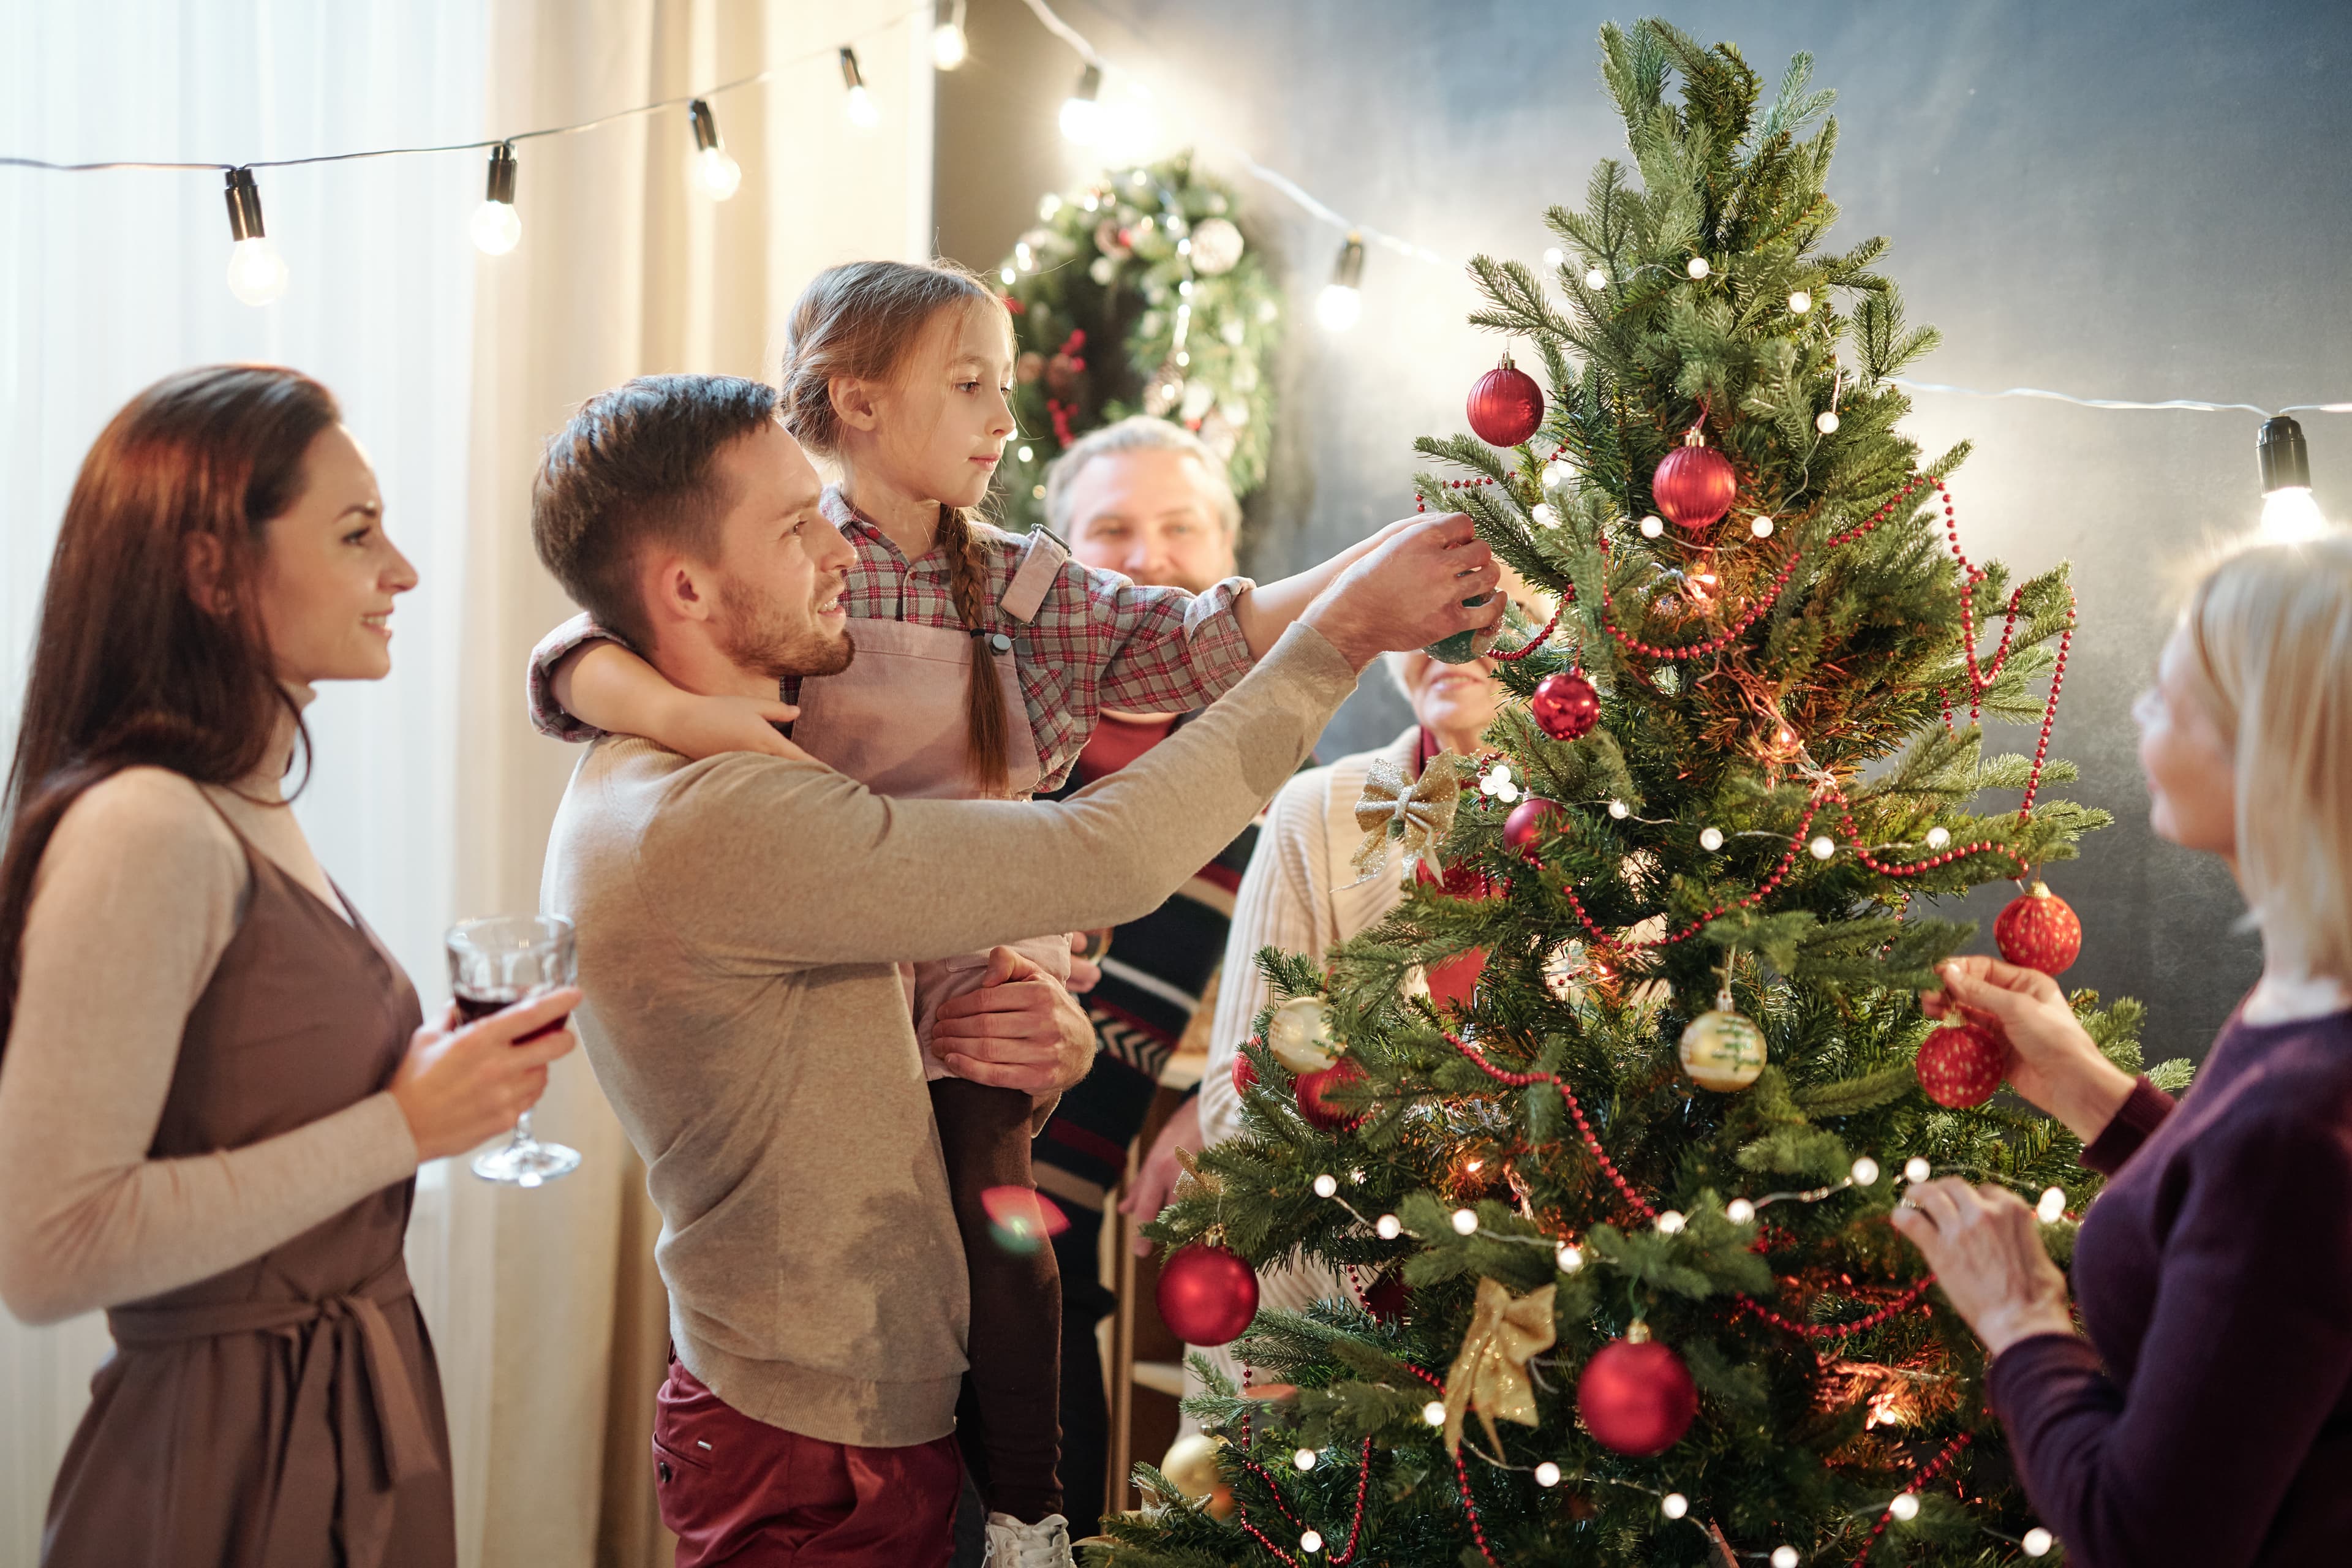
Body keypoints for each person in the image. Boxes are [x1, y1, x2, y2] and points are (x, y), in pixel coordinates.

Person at [525, 263, 1419, 1562]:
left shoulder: (998, 587)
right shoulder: (714, 793)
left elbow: (1191, 642)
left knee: (1014, 1240)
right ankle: (1031, 1509)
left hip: (950, 989)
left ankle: (1028, 1504)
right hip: (814, 1407)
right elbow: (580, 641)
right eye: (795, 526)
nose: (1004, 416)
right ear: (859, 405)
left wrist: (1049, 1028)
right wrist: (1342, 633)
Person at [0, 365, 578, 1568]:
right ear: (214, 570)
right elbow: (46, 1247)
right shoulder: (147, 825)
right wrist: (400, 1127)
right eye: (358, 533)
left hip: (341, 1412)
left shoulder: (242, 803)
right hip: (223, 1460)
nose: (403, 571)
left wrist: (425, 1090)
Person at [1891, 533, 2352, 1566]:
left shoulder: (2306, 1114)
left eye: (2171, 699)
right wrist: (2092, 1093)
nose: (2138, 713)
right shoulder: (2310, 996)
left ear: (2274, 752)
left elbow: (2146, 1538)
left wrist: (2020, 1320)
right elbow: (2265, 1253)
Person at [1145, 619, 1538, 1410]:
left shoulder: (1627, 831)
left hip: (1549, 1323)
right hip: (1327, 1325)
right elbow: (1231, 1100)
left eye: (1493, 617)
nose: (1456, 644)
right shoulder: (1318, 809)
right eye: (1434, 620)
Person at [1019, 415, 1290, 1539]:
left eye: (1181, 529)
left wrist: (1219, 1091)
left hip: (1056, 1238)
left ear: (1228, 558)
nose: (1149, 558)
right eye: (1113, 530)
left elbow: (1329, 974)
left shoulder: (1273, 765)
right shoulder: (1007, 731)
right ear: (1065, 560)